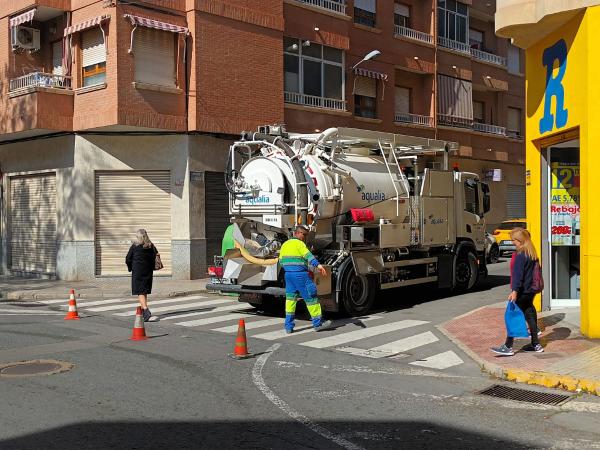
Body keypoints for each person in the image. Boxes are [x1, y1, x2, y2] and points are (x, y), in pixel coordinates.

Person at [491, 227, 543, 356]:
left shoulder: (520, 255)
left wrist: (514, 291)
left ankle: (508, 346)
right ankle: (536, 344)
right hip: (531, 290)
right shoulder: (532, 253)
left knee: (511, 316)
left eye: (513, 240)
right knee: (530, 313)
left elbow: (518, 275)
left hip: (522, 290)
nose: (513, 242)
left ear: (519, 240)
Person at [279, 224, 332, 334]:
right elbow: (309, 256)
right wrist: (319, 266)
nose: (305, 237)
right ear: (297, 233)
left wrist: (290, 269)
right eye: (304, 234)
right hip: (301, 276)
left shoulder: (285, 244)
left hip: (288, 275)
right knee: (311, 297)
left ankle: (288, 327)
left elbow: (281, 261)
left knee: (290, 301)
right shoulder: (299, 244)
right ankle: (318, 323)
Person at [126, 229, 159, 322]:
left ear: (138, 237)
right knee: (144, 291)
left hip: (138, 272)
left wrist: (130, 267)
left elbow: (128, 258)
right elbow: (155, 256)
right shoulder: (151, 246)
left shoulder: (135, 246)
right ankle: (145, 311)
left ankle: (146, 311)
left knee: (140, 291)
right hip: (148, 271)